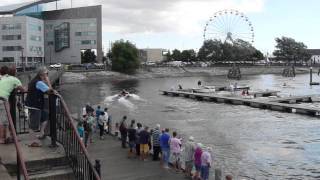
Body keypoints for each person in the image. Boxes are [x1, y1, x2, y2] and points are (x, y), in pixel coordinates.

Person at [25, 67, 55, 147]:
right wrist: (48, 81)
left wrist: (44, 80)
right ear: (43, 74)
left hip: (35, 104)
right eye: (46, 74)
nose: (47, 75)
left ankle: (41, 133)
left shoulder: (36, 81)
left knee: (44, 118)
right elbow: (50, 91)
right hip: (35, 106)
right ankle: (32, 142)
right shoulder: (38, 83)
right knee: (34, 125)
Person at [0, 66, 25, 144]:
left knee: (6, 120)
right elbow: (23, 89)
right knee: (3, 121)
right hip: (2, 100)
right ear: (15, 73)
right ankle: (1, 139)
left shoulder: (3, 78)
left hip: (3, 99)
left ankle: (7, 136)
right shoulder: (15, 79)